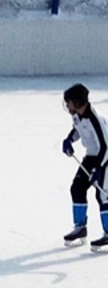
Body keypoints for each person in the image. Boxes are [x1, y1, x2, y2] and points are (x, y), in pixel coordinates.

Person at [61, 83, 108, 250]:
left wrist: (99, 169)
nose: (67, 105)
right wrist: (69, 140)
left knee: (103, 195)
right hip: (90, 156)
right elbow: (77, 130)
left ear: (78, 102)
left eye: (69, 102)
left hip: (105, 158)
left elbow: (105, 146)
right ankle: (80, 227)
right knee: (77, 188)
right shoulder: (76, 115)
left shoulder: (96, 119)